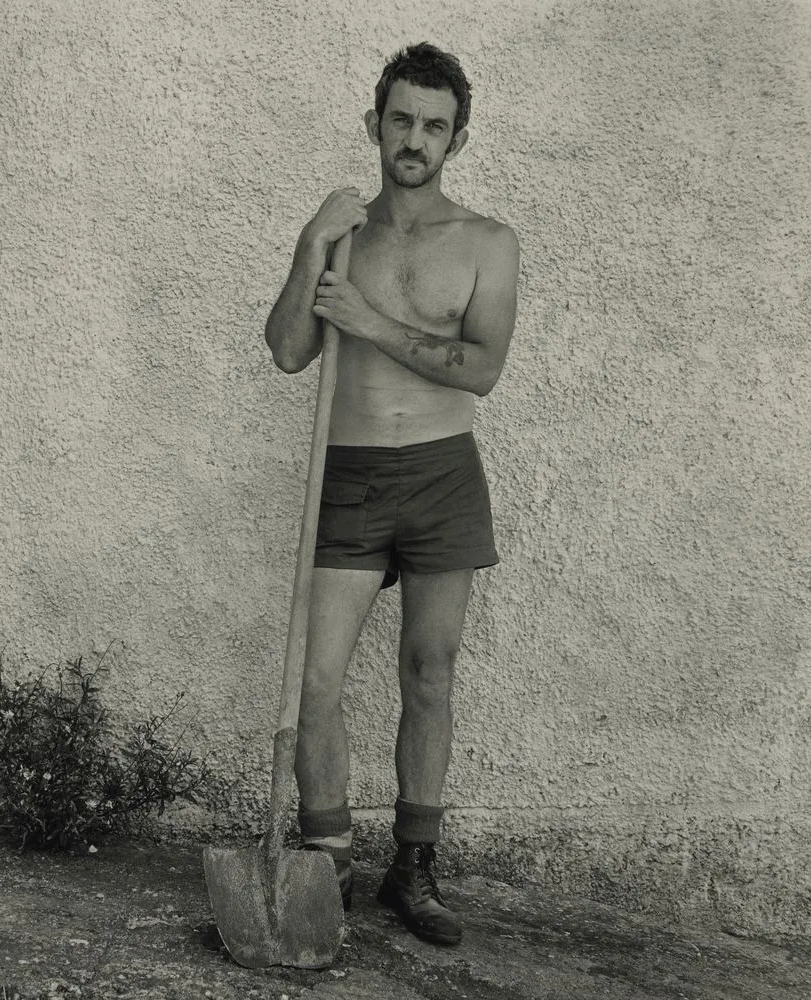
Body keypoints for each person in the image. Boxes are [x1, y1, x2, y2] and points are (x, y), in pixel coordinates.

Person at [264, 42, 519, 946]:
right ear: (376, 125)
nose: (416, 139)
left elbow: (482, 369)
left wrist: (372, 320)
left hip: (445, 473)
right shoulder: (341, 233)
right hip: (353, 470)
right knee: (318, 679)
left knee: (430, 673)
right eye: (402, 119)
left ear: (458, 138)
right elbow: (291, 351)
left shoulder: (488, 243)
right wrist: (307, 247)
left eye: (435, 125)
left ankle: (414, 870)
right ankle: (326, 857)